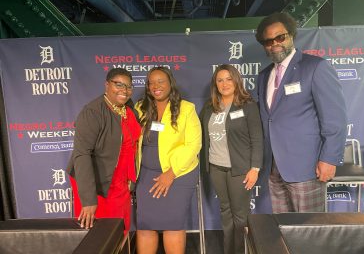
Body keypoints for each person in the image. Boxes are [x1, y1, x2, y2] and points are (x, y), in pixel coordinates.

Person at [255, 12, 347, 213]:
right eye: (268, 41)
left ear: (292, 36)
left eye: (280, 37)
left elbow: (335, 119)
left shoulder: (315, 67)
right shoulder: (263, 76)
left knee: (311, 232)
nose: (275, 44)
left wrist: (329, 159)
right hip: (274, 168)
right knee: (285, 231)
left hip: (307, 167)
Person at [135, 66, 202, 254]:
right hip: (146, 175)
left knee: (172, 224)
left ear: (170, 83)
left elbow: (193, 145)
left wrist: (171, 173)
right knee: (145, 225)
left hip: (178, 174)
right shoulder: (140, 107)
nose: (156, 86)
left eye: (160, 81)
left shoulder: (187, 108)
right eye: (151, 82)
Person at [66, 68, 141, 231]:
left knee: (121, 230)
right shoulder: (92, 112)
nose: (124, 90)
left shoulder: (128, 109)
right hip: (98, 184)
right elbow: (81, 154)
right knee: (100, 235)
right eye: (119, 84)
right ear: (107, 85)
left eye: (128, 86)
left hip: (121, 183)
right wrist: (88, 200)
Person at [200, 64, 263, 254]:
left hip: (240, 169)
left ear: (236, 80)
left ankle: (242, 250)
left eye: (228, 79)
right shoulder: (209, 107)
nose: (224, 83)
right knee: (225, 212)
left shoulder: (247, 105)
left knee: (240, 215)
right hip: (216, 167)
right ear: (215, 84)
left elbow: (257, 138)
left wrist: (255, 168)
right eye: (220, 80)